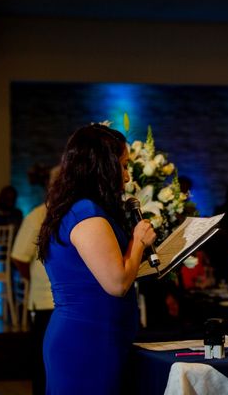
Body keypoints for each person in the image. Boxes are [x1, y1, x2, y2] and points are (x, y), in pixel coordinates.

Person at [37, 124, 157, 394]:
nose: (127, 177)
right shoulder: (86, 212)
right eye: (124, 166)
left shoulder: (77, 208)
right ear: (103, 165)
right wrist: (139, 239)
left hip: (98, 337)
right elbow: (117, 283)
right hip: (87, 341)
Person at [11, 165, 60, 395]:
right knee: (44, 363)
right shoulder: (37, 216)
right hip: (45, 301)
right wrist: (34, 281)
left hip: (68, 302)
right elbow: (19, 257)